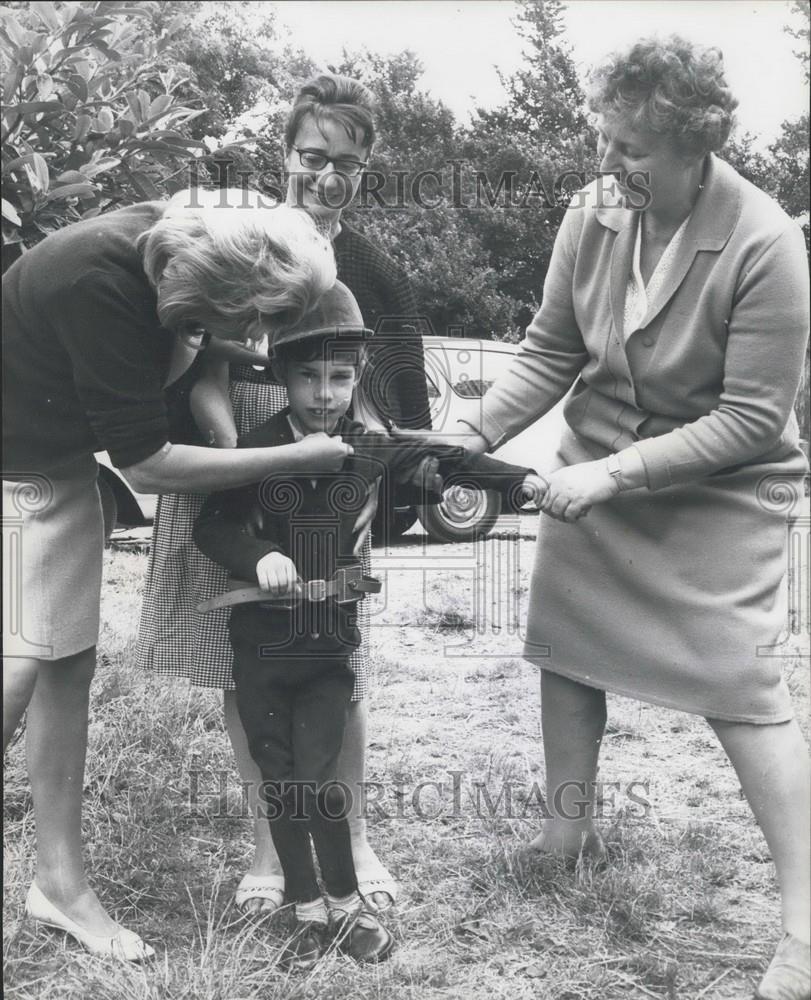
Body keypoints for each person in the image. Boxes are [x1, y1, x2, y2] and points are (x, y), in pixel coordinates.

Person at [401, 36, 810, 1000]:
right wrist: (472, 425)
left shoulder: (765, 244)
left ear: (690, 144)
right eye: (605, 136)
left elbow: (752, 418)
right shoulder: (593, 211)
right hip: (599, 465)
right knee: (570, 647)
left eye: (628, 144)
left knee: (739, 687)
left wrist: (616, 475)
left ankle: (803, 920)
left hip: (719, 488)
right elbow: (551, 348)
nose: (606, 161)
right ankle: (566, 832)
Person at [1, 194, 346, 961]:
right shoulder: (99, 282)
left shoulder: (182, 238)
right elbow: (148, 465)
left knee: (64, 665)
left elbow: (190, 344)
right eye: (249, 318)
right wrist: (294, 456)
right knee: (17, 667)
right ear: (206, 291)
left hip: (49, 470)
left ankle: (58, 886)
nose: (258, 339)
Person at [136, 73, 430, 916]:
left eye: (347, 161)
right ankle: (270, 845)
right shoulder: (241, 237)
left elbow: (392, 391)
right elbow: (200, 365)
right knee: (251, 654)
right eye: (311, 156)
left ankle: (356, 837)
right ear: (285, 154)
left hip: (326, 480)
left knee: (336, 657)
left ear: (366, 167)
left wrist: (366, 482)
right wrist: (240, 458)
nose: (327, 176)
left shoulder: (372, 269)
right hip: (238, 461)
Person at [192, 282, 538, 969]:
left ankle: (345, 902)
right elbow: (214, 524)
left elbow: (448, 457)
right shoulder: (257, 450)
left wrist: (517, 480)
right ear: (283, 377)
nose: (324, 393)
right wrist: (259, 556)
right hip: (261, 648)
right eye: (310, 376)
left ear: (357, 380)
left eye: (340, 377)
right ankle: (303, 906)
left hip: (329, 648)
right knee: (280, 778)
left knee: (321, 779)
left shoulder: (366, 445)